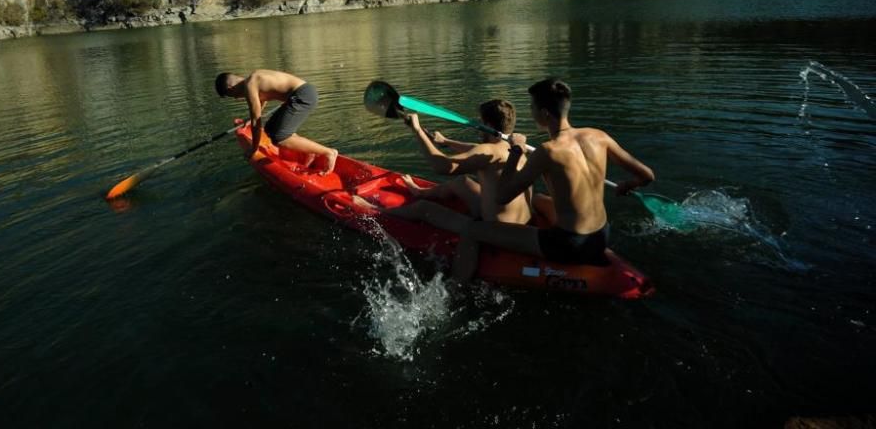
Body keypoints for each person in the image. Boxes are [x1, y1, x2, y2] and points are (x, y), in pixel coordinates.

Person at [442, 78, 655, 280]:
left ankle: (456, 288)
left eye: (532, 107)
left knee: (471, 230)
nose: (531, 111)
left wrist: (515, 152)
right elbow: (647, 175)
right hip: (601, 236)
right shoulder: (598, 136)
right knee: (540, 199)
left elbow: (502, 196)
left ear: (544, 114)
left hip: (569, 244)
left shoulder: (548, 151)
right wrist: (628, 185)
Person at [354, 99, 533, 232]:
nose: (477, 126)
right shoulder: (516, 147)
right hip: (518, 221)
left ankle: (374, 210)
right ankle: (420, 191)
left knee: (423, 208)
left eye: (480, 122)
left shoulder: (489, 150)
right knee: (461, 182)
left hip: (495, 229)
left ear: (488, 125)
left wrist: (416, 130)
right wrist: (446, 141)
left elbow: (442, 166)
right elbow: (479, 151)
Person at [215, 69, 338, 174]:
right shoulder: (253, 78)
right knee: (270, 129)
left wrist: (254, 148)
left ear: (231, 89)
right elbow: (262, 101)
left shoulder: (249, 86)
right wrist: (250, 119)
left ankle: (329, 153)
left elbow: (256, 122)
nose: (236, 98)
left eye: (232, 96)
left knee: (280, 137)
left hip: (302, 96)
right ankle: (309, 151)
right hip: (302, 94)